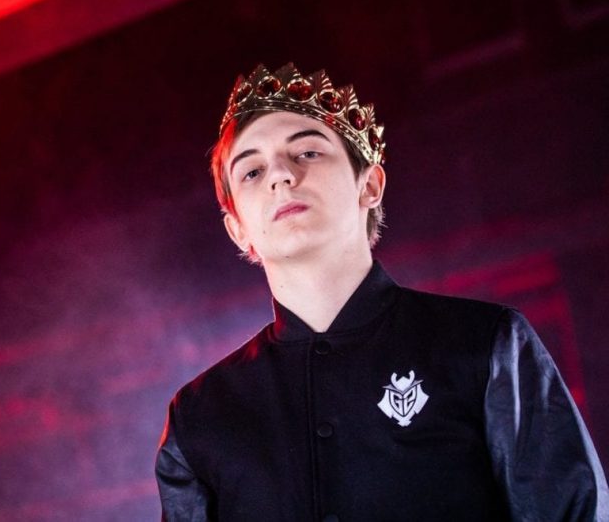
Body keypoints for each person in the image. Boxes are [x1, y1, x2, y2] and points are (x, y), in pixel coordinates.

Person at [155, 63, 608, 521]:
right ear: (237, 229)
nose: (281, 175)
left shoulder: (484, 345)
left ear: (369, 185)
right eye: (251, 171)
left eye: (307, 152)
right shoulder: (199, 416)